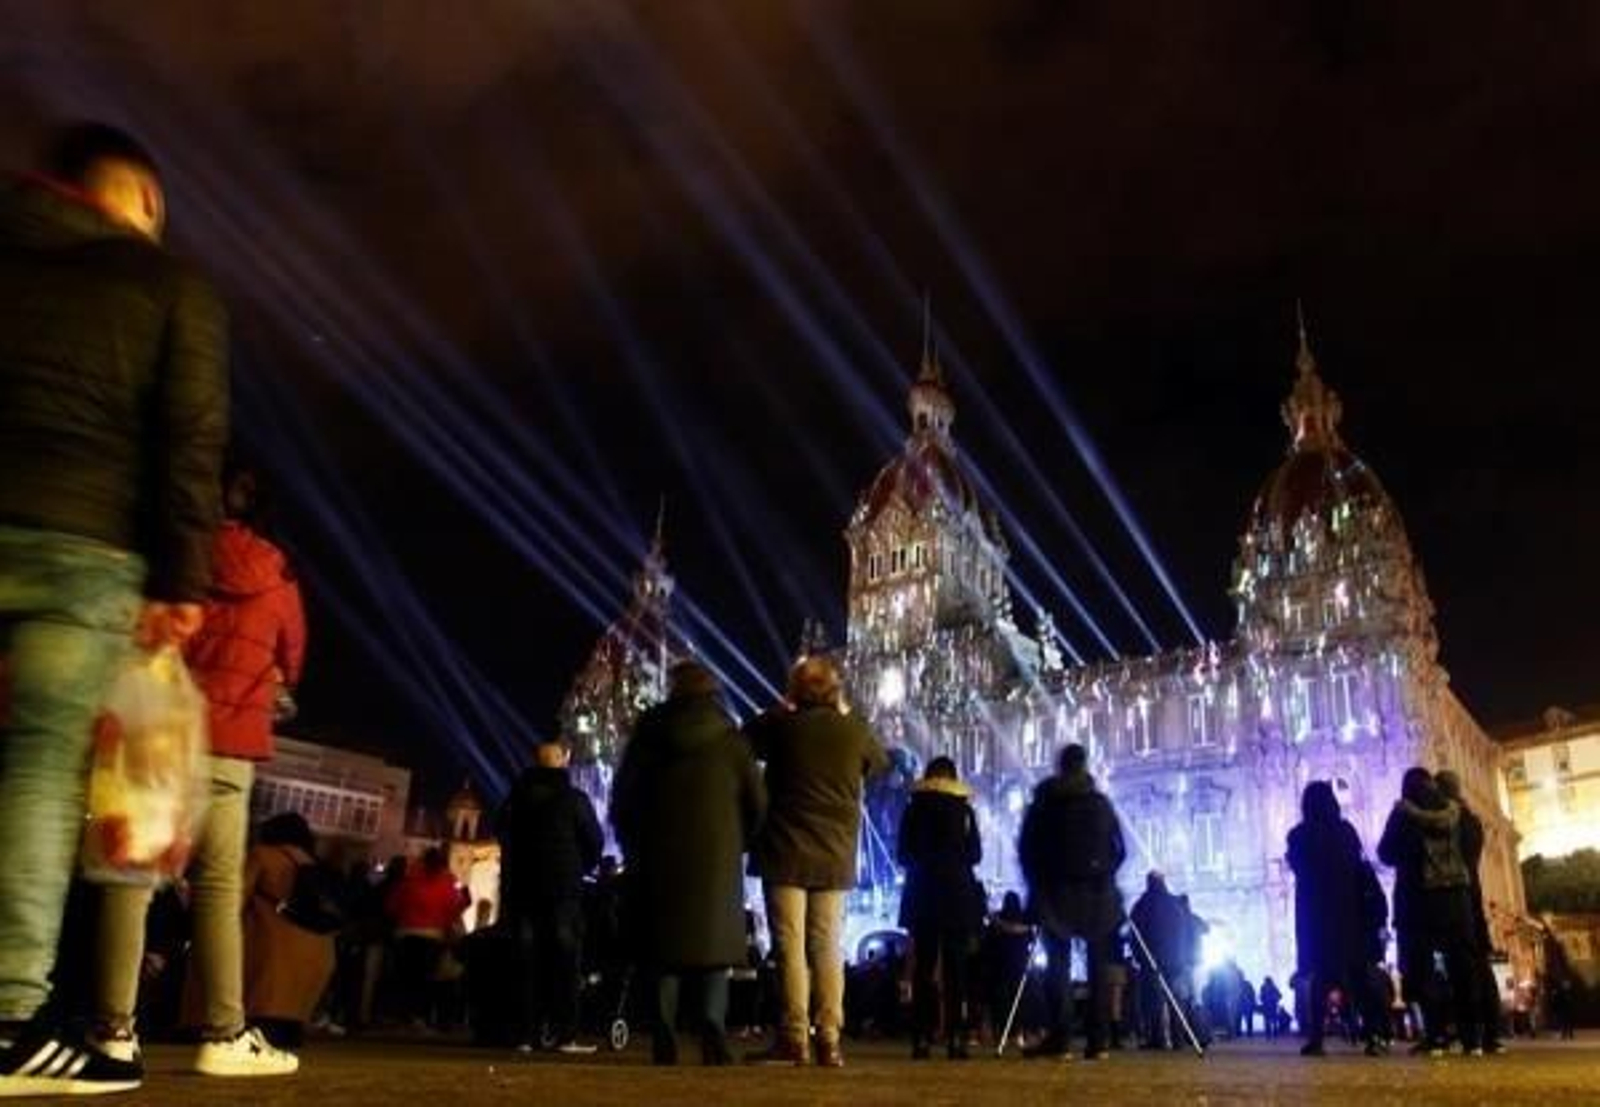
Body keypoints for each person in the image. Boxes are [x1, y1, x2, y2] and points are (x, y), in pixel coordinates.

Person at [0, 121, 229, 1095]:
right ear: (133, 196)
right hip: (83, 546)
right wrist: (181, 581)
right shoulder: (165, 285)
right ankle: (9, 1019)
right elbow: (188, 444)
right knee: (43, 772)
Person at [92, 464, 302, 1077]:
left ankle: (112, 1029)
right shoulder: (278, 576)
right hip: (231, 743)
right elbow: (292, 659)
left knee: (131, 882)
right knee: (216, 889)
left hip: (157, 732)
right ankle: (223, 1033)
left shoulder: (168, 557)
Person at [610, 661, 766, 1066]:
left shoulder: (650, 732)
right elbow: (758, 802)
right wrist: (738, 843)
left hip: (657, 853)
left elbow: (623, 795)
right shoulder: (731, 738)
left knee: (664, 949)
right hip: (716, 857)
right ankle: (713, 1027)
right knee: (714, 951)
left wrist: (633, 844)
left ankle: (664, 1030)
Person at [744, 656, 889, 1067]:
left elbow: (744, 738)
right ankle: (829, 1038)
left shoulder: (780, 726)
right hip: (834, 852)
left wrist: (779, 708)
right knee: (827, 946)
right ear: (834, 690)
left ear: (795, 691)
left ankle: (794, 1037)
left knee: (789, 946)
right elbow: (880, 764)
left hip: (785, 848)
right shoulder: (854, 730)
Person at [1018, 744, 1126, 1061]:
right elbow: (1120, 849)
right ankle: (1099, 1040)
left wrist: (1037, 882)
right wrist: (1105, 874)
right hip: (1098, 891)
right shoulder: (1101, 804)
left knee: (1058, 966)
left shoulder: (1044, 803)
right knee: (1098, 968)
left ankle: (1062, 1037)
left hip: (1056, 892)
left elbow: (1027, 848)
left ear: (1060, 766)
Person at [496, 735, 603, 1054]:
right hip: (561, 888)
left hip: (522, 889)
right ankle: (565, 1034)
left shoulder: (516, 799)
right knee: (564, 959)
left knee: (525, 959)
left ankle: (524, 1034)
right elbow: (593, 841)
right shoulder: (574, 799)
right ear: (564, 759)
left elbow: (501, 832)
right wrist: (579, 867)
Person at [1377, 767, 1482, 1056]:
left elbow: (1385, 853)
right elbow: (1471, 849)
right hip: (1455, 899)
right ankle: (1471, 1039)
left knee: (1421, 970)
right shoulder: (1454, 811)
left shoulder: (1403, 813)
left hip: (1418, 900)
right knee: (1462, 967)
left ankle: (1434, 1036)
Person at [895, 756, 984, 1060]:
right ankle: (956, 1039)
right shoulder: (965, 811)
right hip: (957, 894)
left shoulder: (913, 808)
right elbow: (976, 854)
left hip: (923, 892)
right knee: (956, 970)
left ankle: (921, 1038)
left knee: (923, 968)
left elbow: (902, 854)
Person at [1287, 780, 1381, 1056]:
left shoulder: (1299, 836)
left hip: (1317, 916)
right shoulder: (1346, 831)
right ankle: (1374, 1035)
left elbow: (1298, 868)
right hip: (1348, 914)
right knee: (1358, 976)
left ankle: (1316, 1037)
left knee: (1321, 978)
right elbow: (1357, 866)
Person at [241, 814, 337, 1052]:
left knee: (262, 1023)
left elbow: (233, 899)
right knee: (287, 1031)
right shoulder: (315, 864)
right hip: (318, 949)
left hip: (273, 951)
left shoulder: (262, 855)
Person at [1434, 770, 1506, 1054]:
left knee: (1462, 967)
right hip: (1473, 896)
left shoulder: (1449, 821)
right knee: (1479, 966)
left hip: (1456, 899)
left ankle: (1471, 1035)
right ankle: (1491, 1034)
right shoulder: (1473, 821)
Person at [384, 847, 469, 1031]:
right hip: (432, 935)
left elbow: (392, 905)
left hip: (406, 932)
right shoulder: (447, 882)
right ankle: (418, 1015)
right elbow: (453, 908)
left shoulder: (409, 880)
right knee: (424, 977)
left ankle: (400, 1014)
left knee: (404, 975)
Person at [1130, 872, 1189, 1050]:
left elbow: (1135, 932)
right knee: (1174, 999)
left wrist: (1138, 955)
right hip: (1175, 960)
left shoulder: (1143, 904)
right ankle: (1178, 1039)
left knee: (1153, 1000)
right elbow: (1184, 933)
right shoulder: (1175, 904)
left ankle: (1157, 1038)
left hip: (1152, 959)